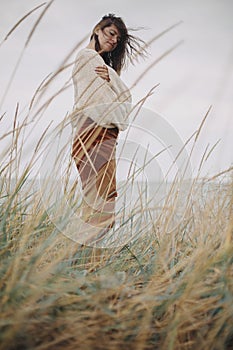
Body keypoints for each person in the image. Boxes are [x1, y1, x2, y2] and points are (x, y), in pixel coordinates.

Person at [71, 14, 146, 238]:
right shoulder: (88, 58)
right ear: (97, 29)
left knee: (96, 206)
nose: (114, 41)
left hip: (97, 137)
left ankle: (81, 263)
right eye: (111, 33)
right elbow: (116, 106)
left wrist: (112, 76)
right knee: (103, 210)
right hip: (95, 135)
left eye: (118, 39)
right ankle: (79, 261)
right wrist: (116, 88)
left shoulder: (102, 66)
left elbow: (122, 101)